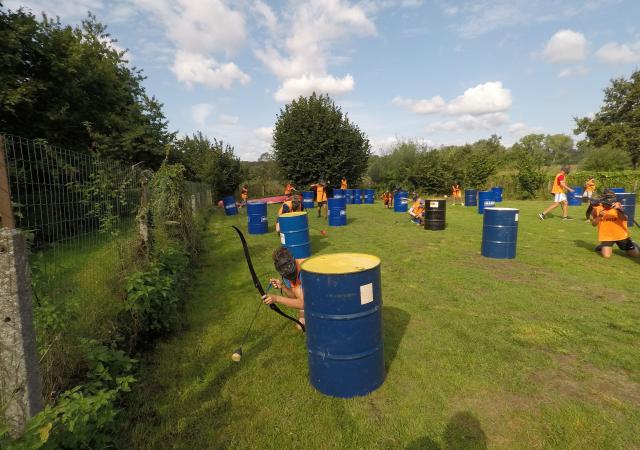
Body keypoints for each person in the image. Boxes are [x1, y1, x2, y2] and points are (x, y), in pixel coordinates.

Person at [262, 246, 305, 330]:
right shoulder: (286, 272)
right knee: (301, 325)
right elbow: (295, 296)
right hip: (310, 302)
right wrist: (282, 287)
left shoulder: (304, 271)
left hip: (323, 299)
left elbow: (303, 304)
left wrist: (276, 298)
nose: (289, 275)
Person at [590, 189, 639, 259]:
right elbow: (593, 224)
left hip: (621, 235)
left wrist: (619, 210)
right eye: (608, 198)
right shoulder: (597, 209)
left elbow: (625, 219)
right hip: (607, 236)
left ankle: (633, 243)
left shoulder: (618, 206)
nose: (610, 201)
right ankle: (603, 246)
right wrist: (599, 216)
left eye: (611, 198)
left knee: (635, 255)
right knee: (606, 256)